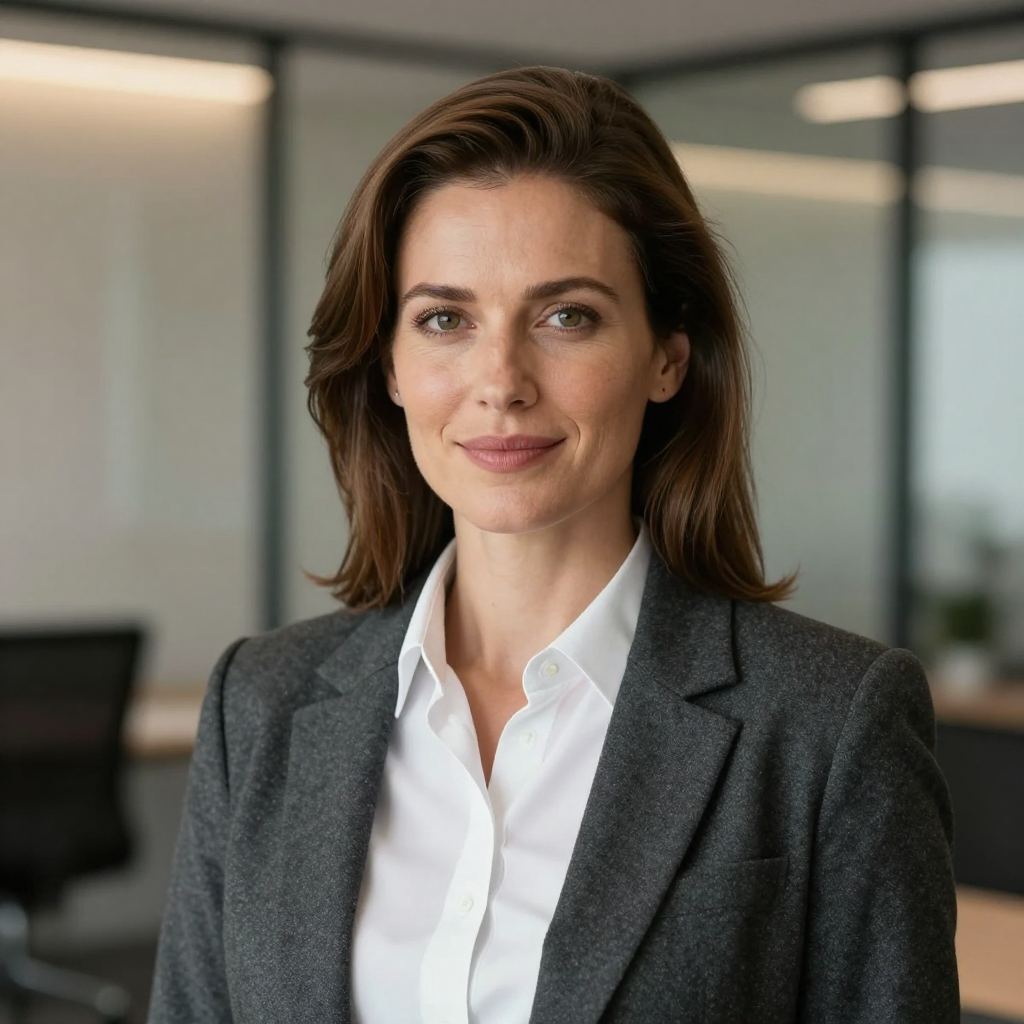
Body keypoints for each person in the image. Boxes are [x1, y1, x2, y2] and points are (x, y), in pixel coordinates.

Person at [149, 67, 958, 1024]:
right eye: (444, 319)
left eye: (566, 316)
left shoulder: (828, 726)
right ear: (390, 366)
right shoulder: (262, 704)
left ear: (667, 356)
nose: (501, 380)